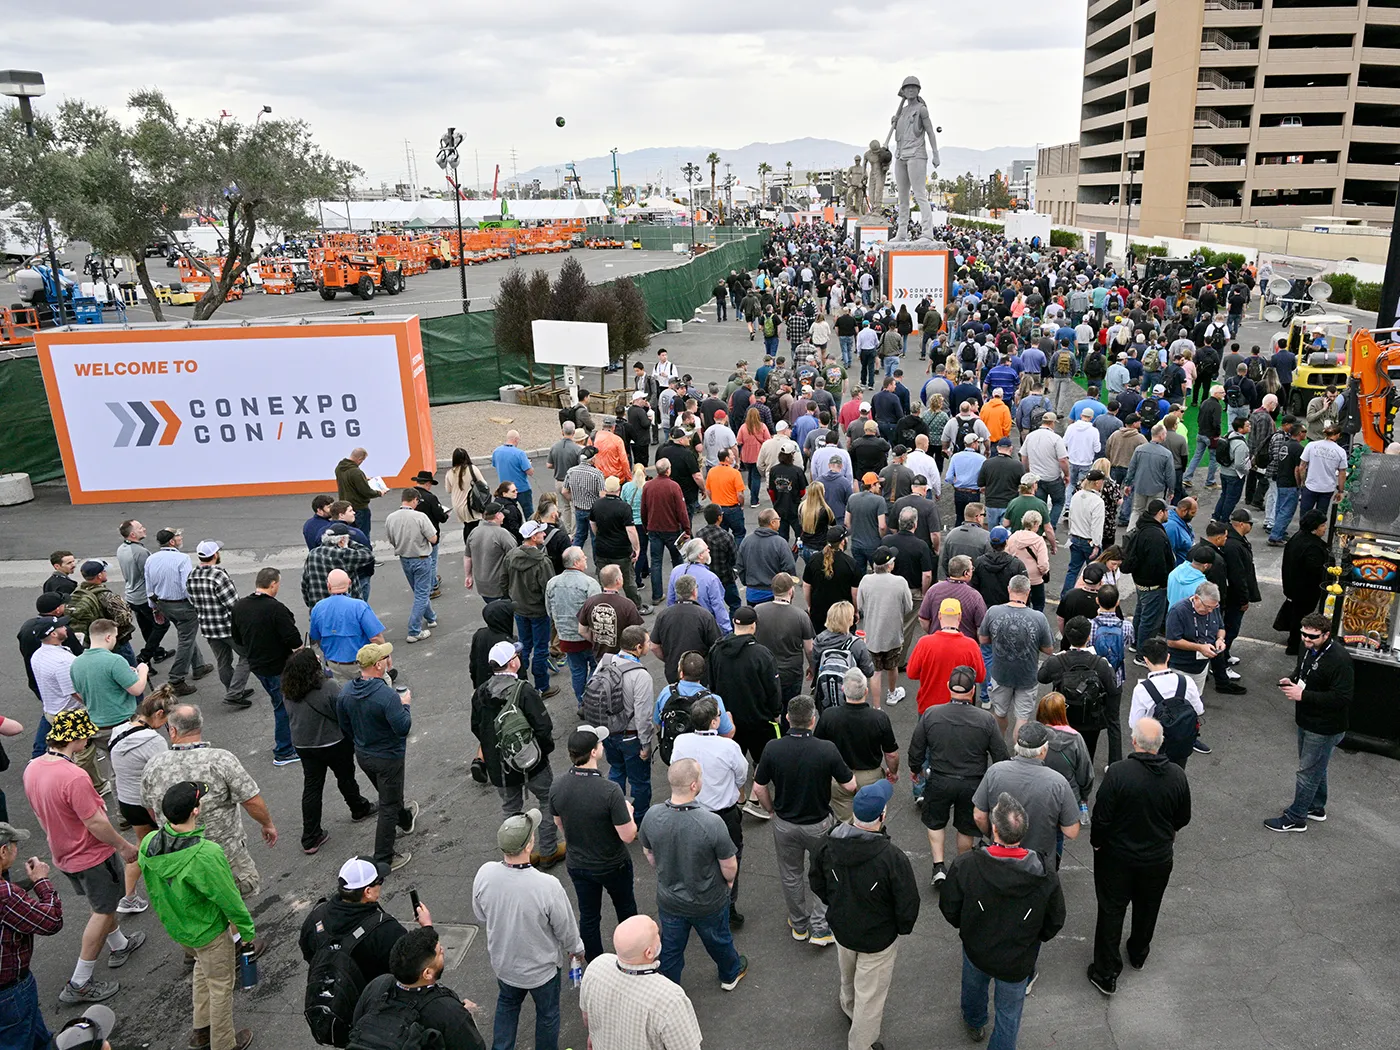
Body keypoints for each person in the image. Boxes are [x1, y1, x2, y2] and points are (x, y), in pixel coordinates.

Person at [24, 709, 144, 1006]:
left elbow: (41, 813)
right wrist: (124, 847)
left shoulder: (33, 768)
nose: (89, 738)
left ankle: (119, 945)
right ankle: (80, 980)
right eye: (85, 734)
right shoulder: (75, 776)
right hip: (92, 855)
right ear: (74, 739)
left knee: (101, 902)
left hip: (63, 852)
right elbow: (96, 823)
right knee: (103, 910)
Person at [940, 792, 1066, 1046]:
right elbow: (1055, 920)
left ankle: (974, 1022)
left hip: (977, 946)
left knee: (974, 988)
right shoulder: (1044, 874)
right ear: (1023, 832)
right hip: (1018, 957)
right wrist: (1033, 938)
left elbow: (949, 907)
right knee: (1009, 1015)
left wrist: (967, 927)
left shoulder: (967, 865)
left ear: (994, 829)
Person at [138, 781, 256, 1050]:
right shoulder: (205, 853)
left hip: (179, 928)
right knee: (221, 987)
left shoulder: (148, 843)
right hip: (209, 931)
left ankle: (201, 1031)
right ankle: (224, 1044)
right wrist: (247, 932)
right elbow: (229, 899)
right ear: (195, 810)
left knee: (203, 972)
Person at [807, 780, 919, 1050]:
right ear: (881, 816)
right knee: (870, 997)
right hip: (877, 939)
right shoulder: (892, 858)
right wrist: (899, 929)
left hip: (842, 929)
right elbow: (907, 904)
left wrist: (835, 906)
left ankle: (848, 1009)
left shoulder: (826, 845)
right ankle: (861, 1042)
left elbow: (817, 883)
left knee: (848, 975)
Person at [1086, 717, 1192, 996]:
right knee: (1149, 905)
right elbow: (1183, 817)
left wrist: (1097, 844)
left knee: (1111, 910)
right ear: (1160, 745)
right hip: (1157, 858)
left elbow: (1102, 817)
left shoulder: (1119, 773)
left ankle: (1106, 973)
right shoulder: (1177, 776)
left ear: (1134, 742)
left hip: (1117, 858)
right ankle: (1138, 952)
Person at [471, 809, 583, 1050]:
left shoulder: (485, 874)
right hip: (541, 971)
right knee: (548, 1015)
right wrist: (576, 950)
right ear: (530, 844)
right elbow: (566, 928)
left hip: (505, 966)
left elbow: (480, 915)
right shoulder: (547, 886)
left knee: (508, 1005)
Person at [638, 759, 746, 990]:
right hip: (707, 900)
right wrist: (727, 885)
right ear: (694, 785)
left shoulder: (652, 816)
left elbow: (649, 854)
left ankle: (669, 988)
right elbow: (729, 865)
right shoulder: (711, 822)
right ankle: (730, 974)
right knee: (719, 940)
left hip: (670, 899)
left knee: (671, 948)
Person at [909, 666, 1008, 888]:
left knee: (935, 822)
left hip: (939, 779)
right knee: (966, 827)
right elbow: (1000, 756)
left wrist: (915, 770)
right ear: (972, 690)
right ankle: (960, 867)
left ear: (948, 687)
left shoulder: (932, 714)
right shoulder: (986, 719)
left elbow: (916, 749)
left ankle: (938, 866)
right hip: (972, 783)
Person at [548, 726, 638, 962]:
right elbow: (628, 836)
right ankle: (631, 954)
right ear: (595, 752)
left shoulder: (557, 787)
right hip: (613, 864)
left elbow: (560, 824)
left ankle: (596, 964)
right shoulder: (610, 791)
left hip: (579, 864)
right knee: (626, 911)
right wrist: (628, 813)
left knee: (589, 917)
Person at [471, 642, 564, 869]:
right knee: (546, 800)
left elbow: (476, 728)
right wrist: (541, 753)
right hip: (532, 761)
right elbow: (543, 727)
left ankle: (516, 857)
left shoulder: (480, 693)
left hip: (499, 766)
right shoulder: (524, 690)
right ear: (512, 662)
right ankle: (549, 851)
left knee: (511, 809)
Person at [1264, 613, 1354, 833]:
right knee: (1316, 769)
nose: (1306, 639)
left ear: (1326, 634)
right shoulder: (1306, 647)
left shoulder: (1340, 660)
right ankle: (1316, 807)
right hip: (1307, 720)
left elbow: (1342, 697)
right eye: (1303, 634)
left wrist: (1303, 696)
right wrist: (1291, 680)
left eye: (1312, 636)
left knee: (1307, 773)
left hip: (1324, 728)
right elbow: (1302, 671)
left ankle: (1296, 818)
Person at [280, 648, 375, 854]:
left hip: (304, 745)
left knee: (312, 787)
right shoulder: (329, 687)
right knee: (345, 776)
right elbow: (343, 712)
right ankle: (358, 808)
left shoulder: (288, 690)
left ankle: (311, 836)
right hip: (333, 742)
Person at [336, 644, 419, 871]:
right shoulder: (387, 696)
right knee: (388, 804)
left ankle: (404, 819)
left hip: (364, 755)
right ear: (378, 665)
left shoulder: (345, 692)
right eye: (386, 657)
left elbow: (345, 726)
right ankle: (384, 858)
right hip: (388, 757)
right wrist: (406, 706)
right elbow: (403, 727)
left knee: (388, 794)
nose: (389, 659)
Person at [671, 696, 749, 925]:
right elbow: (741, 775)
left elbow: (676, 768)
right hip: (724, 815)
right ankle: (728, 906)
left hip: (691, 813)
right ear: (714, 722)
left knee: (697, 860)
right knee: (731, 859)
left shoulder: (681, 742)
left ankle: (701, 904)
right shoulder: (728, 746)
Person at [350, 926, 486, 1050]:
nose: (443, 951)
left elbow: (356, 1023)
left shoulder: (378, 985)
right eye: (439, 952)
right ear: (427, 973)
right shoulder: (449, 1012)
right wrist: (467, 1017)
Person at [579, 914, 703, 1050]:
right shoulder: (670, 999)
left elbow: (587, 1018)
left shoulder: (596, 967)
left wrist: (594, 1036)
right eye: (656, 934)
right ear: (649, 953)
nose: (659, 936)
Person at [973, 722, 1080, 869]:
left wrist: (993, 835)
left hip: (999, 860)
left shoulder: (995, 772)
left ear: (1017, 746)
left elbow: (979, 816)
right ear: (1043, 750)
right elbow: (1071, 831)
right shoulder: (1058, 782)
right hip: (1039, 865)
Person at [229, 567, 301, 765]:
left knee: (279, 702)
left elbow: (236, 638)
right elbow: (293, 639)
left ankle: (287, 744)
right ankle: (284, 750)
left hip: (257, 665)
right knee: (283, 707)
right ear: (273, 584)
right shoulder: (275, 609)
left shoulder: (240, 606)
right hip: (277, 666)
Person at [816, 669, 900, 823]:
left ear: (843, 690)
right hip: (870, 777)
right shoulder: (879, 718)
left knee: (845, 822)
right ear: (866, 691)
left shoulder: (829, 715)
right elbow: (891, 754)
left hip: (840, 776)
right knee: (872, 820)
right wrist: (893, 772)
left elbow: (818, 747)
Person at [979, 576, 1055, 740]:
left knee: (999, 713)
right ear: (1028, 592)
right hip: (1027, 677)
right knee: (1022, 718)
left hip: (1000, 675)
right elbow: (1049, 649)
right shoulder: (1038, 618)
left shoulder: (993, 611)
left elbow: (983, 639)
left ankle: (998, 749)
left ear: (1009, 589)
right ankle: (1019, 755)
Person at [143, 528, 213, 696]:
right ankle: (176, 679)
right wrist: (197, 604)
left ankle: (198, 666)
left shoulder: (151, 559)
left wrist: (154, 607)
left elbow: (149, 585)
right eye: (178, 536)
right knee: (186, 640)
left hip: (163, 604)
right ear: (172, 542)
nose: (181, 537)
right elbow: (186, 586)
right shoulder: (182, 559)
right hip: (182, 605)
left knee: (185, 635)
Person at [1037, 616, 1118, 758]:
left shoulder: (1058, 661)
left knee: (1061, 753)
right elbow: (1112, 688)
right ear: (1088, 637)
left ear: (1067, 636)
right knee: (1087, 754)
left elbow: (1041, 677)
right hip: (1091, 719)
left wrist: (1054, 657)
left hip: (1062, 716)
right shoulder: (1100, 663)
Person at [184, 542, 253, 707]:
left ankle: (233, 690)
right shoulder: (219, 575)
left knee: (223, 661)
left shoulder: (192, 575)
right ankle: (235, 693)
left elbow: (192, 601)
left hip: (208, 627)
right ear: (215, 555)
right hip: (227, 627)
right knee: (248, 656)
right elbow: (233, 605)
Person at [1130, 635, 1207, 767]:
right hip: (1181, 743)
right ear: (1168, 657)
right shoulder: (1186, 681)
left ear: (1146, 660)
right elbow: (1199, 710)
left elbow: (1134, 723)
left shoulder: (1142, 689)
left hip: (1154, 745)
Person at [906, 599, 986, 713]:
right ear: (960, 616)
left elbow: (911, 673)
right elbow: (980, 677)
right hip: (961, 710)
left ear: (939, 615)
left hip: (928, 708)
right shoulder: (971, 645)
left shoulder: (924, 643)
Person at [308, 570, 387, 683]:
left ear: (328, 586)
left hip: (334, 665)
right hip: (361, 664)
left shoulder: (318, 608)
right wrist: (384, 657)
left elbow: (316, 637)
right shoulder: (359, 606)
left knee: (344, 697)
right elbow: (376, 637)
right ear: (349, 583)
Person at [384, 490, 440, 643]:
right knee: (422, 593)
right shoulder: (420, 517)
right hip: (421, 557)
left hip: (404, 558)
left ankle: (430, 617)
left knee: (418, 591)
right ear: (415, 500)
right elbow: (433, 538)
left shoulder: (391, 518)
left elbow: (391, 538)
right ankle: (414, 630)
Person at [1123, 499, 1175, 655]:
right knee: (1150, 621)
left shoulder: (1143, 527)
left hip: (1141, 583)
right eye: (1166, 511)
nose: (1168, 514)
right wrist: (1164, 582)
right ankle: (1142, 654)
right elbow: (1157, 564)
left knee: (1140, 615)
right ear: (1160, 513)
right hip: (1153, 586)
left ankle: (1135, 643)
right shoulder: (1155, 535)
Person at [335, 448, 382, 537]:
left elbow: (349, 481)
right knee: (362, 536)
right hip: (359, 508)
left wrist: (362, 479)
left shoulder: (339, 468)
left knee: (349, 536)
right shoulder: (356, 472)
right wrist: (379, 493)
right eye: (362, 460)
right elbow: (366, 491)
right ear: (360, 459)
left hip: (345, 508)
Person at [492, 430, 535, 517]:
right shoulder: (519, 453)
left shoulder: (496, 452)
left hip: (506, 489)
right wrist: (528, 464)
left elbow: (496, 465)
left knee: (508, 513)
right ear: (515, 439)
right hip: (522, 488)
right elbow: (530, 472)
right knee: (529, 513)